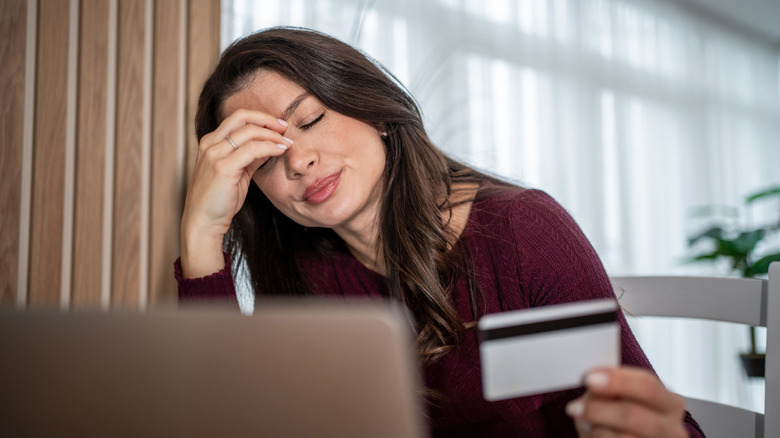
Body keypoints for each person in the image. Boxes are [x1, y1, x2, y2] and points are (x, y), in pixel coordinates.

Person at [175, 26, 704, 438]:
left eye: (309, 120)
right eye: (265, 158)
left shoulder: (520, 235)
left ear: (376, 112)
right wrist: (202, 234)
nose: (300, 161)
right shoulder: (307, 275)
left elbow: (651, 421)